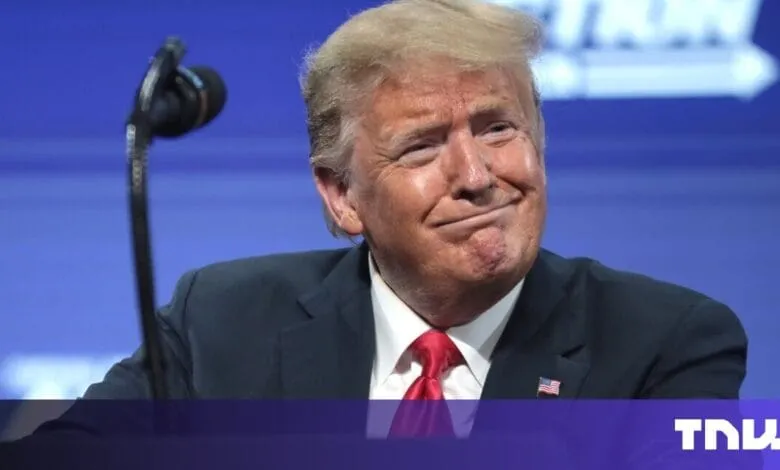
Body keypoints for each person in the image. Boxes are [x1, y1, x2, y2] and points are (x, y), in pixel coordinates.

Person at [29, 0, 748, 440]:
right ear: (341, 196)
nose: (477, 176)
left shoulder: (665, 344)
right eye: (423, 146)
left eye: (498, 128)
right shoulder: (220, 322)